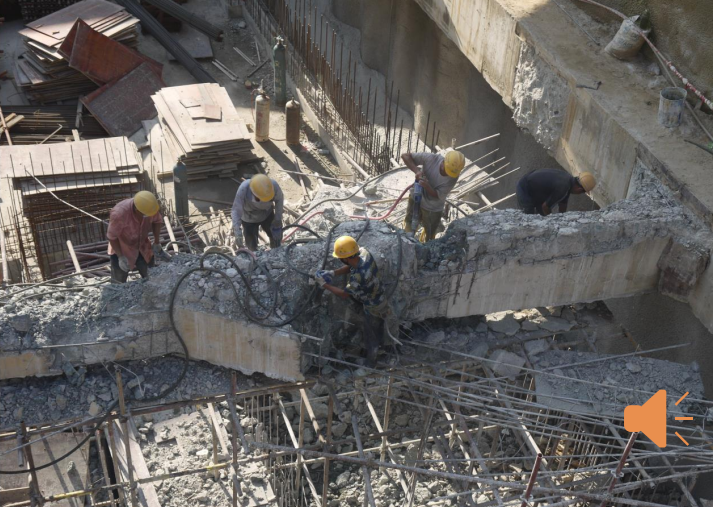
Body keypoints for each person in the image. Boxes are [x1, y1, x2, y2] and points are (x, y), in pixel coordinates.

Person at [315, 236, 392, 367]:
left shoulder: (358, 277)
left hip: (373, 306)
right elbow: (351, 265)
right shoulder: (363, 252)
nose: (340, 260)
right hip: (379, 295)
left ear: (345, 258)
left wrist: (324, 285)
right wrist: (333, 273)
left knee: (371, 334)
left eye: (340, 258)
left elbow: (344, 294)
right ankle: (383, 347)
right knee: (377, 327)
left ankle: (371, 363)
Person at [400, 149, 465, 241]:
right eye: (446, 170)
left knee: (430, 234)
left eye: (450, 172)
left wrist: (427, 186)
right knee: (409, 224)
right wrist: (417, 171)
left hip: (433, 207)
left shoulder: (453, 176)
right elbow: (405, 156)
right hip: (416, 196)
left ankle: (427, 249)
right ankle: (406, 240)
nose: (448, 173)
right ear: (443, 161)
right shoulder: (431, 158)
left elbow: (437, 195)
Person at [107, 191, 169, 283]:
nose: (147, 216)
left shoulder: (149, 207)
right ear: (137, 210)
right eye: (145, 215)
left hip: (143, 246)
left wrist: (156, 242)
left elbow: (157, 221)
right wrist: (120, 257)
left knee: (151, 276)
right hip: (122, 248)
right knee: (118, 282)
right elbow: (112, 236)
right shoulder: (119, 214)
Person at [232, 174, 284, 251]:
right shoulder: (244, 189)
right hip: (248, 217)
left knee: (275, 237)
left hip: (267, 214)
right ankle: (254, 256)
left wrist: (277, 220)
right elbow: (236, 210)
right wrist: (237, 231)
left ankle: (276, 250)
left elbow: (279, 200)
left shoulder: (273, 185)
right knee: (251, 243)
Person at [516, 169, 596, 215]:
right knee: (530, 218)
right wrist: (552, 221)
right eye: (582, 192)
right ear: (579, 189)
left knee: (541, 216)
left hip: (535, 190)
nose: (579, 194)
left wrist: (562, 218)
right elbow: (545, 207)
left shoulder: (568, 181)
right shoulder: (563, 187)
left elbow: (563, 204)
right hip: (525, 189)